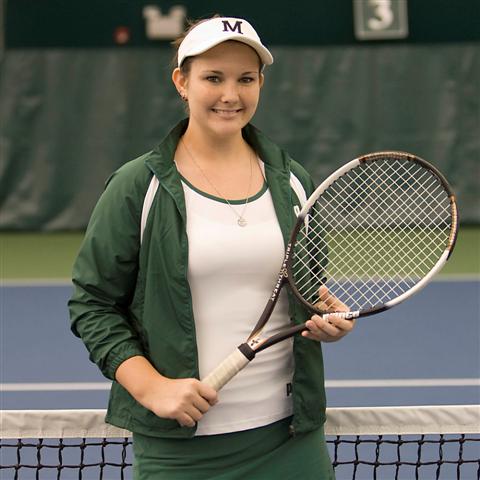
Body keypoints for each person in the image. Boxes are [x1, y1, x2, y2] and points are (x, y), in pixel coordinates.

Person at [69, 15, 355, 479]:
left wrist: (325, 318)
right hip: (179, 452)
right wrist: (151, 387)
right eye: (213, 78)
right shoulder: (137, 186)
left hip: (291, 440)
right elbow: (92, 304)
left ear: (261, 83)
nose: (230, 95)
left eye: (246, 79)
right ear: (181, 82)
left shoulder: (294, 183)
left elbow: (307, 290)